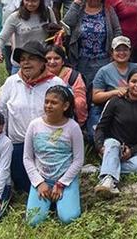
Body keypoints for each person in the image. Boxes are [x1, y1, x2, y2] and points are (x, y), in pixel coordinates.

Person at [0, 41, 65, 193]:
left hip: (48, 145)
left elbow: (66, 116)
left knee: (50, 188)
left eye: (31, 58)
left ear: (42, 62)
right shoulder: (11, 82)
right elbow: (2, 112)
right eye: (22, 59)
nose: (26, 63)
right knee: (25, 188)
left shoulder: (56, 83)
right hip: (18, 145)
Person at [23, 85, 84, 226]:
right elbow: (27, 158)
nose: (48, 106)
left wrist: (62, 183)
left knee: (69, 218)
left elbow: (78, 160)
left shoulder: (73, 127)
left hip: (65, 180)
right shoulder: (34, 125)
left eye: (54, 103)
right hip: (42, 178)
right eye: (46, 102)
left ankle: (62, 201)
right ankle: (49, 201)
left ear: (65, 106)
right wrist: (39, 183)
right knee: (33, 221)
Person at [94, 68, 137, 198]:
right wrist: (100, 146)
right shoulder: (115, 101)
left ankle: (103, 169)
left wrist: (132, 151)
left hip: (132, 151)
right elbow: (101, 127)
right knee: (112, 143)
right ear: (128, 83)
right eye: (134, 81)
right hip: (112, 146)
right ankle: (109, 182)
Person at [61, 0, 122, 91]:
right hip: (81, 60)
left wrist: (115, 51)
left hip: (103, 59)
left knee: (101, 90)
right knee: (81, 89)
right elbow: (66, 24)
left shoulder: (108, 10)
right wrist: (76, 4)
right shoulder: (79, 9)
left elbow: (117, 30)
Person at [0, 0, 56, 74]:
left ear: (40, 0)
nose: (30, 4)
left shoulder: (48, 13)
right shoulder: (15, 17)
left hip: (42, 63)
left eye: (34, 1)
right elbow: (1, 38)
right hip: (20, 64)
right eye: (27, 0)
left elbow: (56, 34)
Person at [90, 36, 137, 136]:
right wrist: (115, 92)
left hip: (135, 110)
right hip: (111, 112)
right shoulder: (103, 71)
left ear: (130, 51)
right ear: (112, 52)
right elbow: (95, 97)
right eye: (118, 50)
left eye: (125, 50)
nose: (121, 53)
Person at [45, 45, 87, 127]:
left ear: (63, 61)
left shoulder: (73, 76)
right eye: (48, 58)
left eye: (56, 58)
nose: (52, 62)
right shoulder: (37, 75)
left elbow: (80, 102)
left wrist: (79, 124)